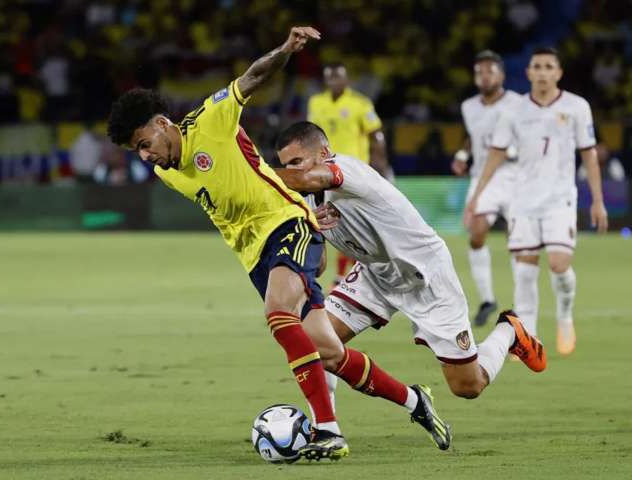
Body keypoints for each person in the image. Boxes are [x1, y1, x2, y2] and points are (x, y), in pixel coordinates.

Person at [107, 26, 437, 461]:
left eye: (145, 144)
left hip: (287, 227)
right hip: (254, 257)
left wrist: (286, 50)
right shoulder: (166, 172)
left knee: (278, 314)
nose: (145, 156)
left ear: (163, 124)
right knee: (330, 352)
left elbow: (252, 78)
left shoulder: (211, 121)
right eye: (137, 152)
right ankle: (416, 401)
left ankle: (328, 430)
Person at [274, 121, 546, 439]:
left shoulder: (346, 170)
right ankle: (326, 430)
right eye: (285, 165)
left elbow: (304, 178)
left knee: (468, 386)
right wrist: (310, 228)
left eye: (296, 162)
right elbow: (318, 265)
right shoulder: (306, 199)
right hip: (375, 274)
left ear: (323, 153)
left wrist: (257, 176)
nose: (291, 171)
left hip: (427, 276)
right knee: (317, 342)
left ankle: (508, 331)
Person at [465, 47, 608, 355]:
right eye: (537, 66)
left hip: (560, 200)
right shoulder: (513, 112)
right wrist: (476, 196)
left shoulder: (576, 107)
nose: (542, 72)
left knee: (559, 265)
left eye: (548, 67)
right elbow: (496, 154)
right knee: (525, 269)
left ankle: (565, 314)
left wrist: (598, 200)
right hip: (523, 200)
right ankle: (528, 340)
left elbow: (589, 154)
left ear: (558, 72)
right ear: (528, 73)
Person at [452, 50, 522, 326]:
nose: (484, 76)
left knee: (519, 241)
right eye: (479, 71)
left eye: (490, 71)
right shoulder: (469, 106)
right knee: (477, 232)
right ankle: (487, 299)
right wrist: (462, 155)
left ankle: (522, 305)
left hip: (515, 176)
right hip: (483, 176)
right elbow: (473, 134)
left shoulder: (518, 103)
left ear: (501, 75)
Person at [307, 63, 391, 287]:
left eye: (338, 77)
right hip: (323, 173)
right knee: (331, 222)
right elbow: (310, 136)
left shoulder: (360, 104)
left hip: (352, 173)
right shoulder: (316, 102)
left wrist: (380, 164)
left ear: (346, 80)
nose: (334, 81)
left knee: (348, 222)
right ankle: (347, 274)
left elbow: (376, 135)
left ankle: (345, 275)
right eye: (330, 78)